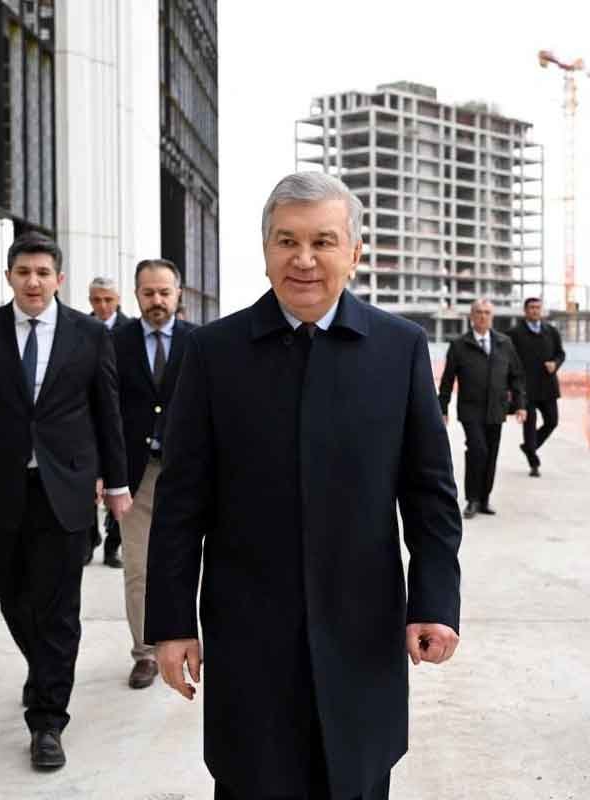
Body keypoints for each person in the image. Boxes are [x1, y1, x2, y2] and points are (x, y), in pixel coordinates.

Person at [145, 172, 463, 800]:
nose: (304, 259)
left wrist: (434, 601)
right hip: (249, 629)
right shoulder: (214, 353)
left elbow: (430, 495)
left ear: (355, 252)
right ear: (265, 251)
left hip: (363, 626)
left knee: (355, 777)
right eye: (287, 241)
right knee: (253, 779)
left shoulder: (399, 349)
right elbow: (181, 502)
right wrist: (173, 622)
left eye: (323, 241)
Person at [0, 232, 132, 771]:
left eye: (43, 273)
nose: (33, 282)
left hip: (64, 489)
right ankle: (43, 665)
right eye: (23, 272)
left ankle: (48, 721)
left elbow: (107, 412)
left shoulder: (89, 334)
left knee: (58, 606)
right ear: (9, 277)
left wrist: (118, 483)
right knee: (8, 587)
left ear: (59, 279)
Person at [111, 258, 197, 690]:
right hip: (135, 473)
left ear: (178, 293)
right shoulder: (115, 342)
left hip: (190, 470)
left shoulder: (200, 342)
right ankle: (144, 652)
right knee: (139, 567)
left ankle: (192, 639)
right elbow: (104, 409)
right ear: (136, 295)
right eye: (148, 293)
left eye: (164, 292)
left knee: (194, 562)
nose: (157, 300)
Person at [438, 298, 526, 518]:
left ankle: (484, 499)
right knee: (478, 451)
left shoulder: (504, 343)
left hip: (496, 409)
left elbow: (516, 376)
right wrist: (442, 408)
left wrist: (520, 405)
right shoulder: (459, 345)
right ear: (471, 316)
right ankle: (472, 500)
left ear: (492, 316)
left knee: (491, 454)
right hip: (471, 410)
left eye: (487, 312)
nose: (483, 316)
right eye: (478, 312)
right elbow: (447, 380)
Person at [87, 276, 128, 567]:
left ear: (118, 300)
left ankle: (113, 544)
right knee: (85, 483)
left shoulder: (130, 331)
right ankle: (88, 538)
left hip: (121, 418)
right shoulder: (78, 328)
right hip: (86, 420)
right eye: (97, 300)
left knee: (118, 482)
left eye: (108, 300)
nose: (102, 306)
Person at [508, 297, 564, 477]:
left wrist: (555, 364)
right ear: (525, 311)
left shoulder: (551, 332)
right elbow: (507, 359)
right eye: (531, 307)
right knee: (529, 426)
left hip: (548, 386)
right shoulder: (514, 333)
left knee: (552, 421)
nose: (535, 310)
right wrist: (510, 386)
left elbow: (560, 353)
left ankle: (529, 447)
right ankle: (534, 463)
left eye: (538, 307)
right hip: (525, 389)